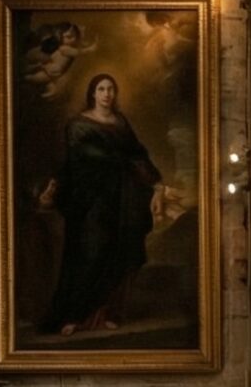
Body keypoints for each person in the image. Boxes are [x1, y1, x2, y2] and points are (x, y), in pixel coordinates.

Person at [36, 73, 163, 336]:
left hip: (121, 199)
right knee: (89, 254)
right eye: (101, 89)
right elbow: (82, 158)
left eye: (111, 89)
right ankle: (73, 315)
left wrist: (156, 183)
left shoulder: (120, 121)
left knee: (118, 252)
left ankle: (108, 312)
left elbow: (137, 152)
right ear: (93, 94)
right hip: (90, 201)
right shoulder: (78, 125)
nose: (107, 94)